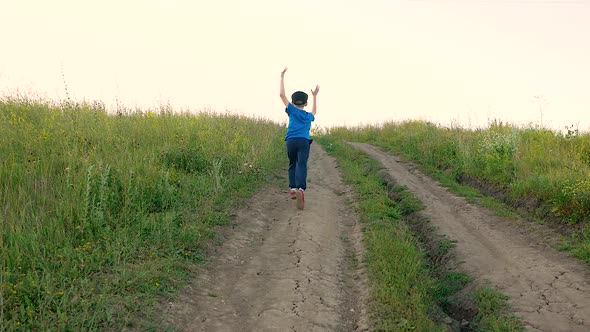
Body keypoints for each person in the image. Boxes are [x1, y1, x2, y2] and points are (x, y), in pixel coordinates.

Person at [279, 67, 319, 210]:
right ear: (305, 104)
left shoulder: (291, 110)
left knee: (292, 163)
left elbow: (281, 95)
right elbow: (314, 111)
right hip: (303, 141)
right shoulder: (308, 116)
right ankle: (301, 189)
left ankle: (293, 188)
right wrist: (314, 96)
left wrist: (282, 76)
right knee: (301, 164)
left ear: (293, 102)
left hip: (291, 141)